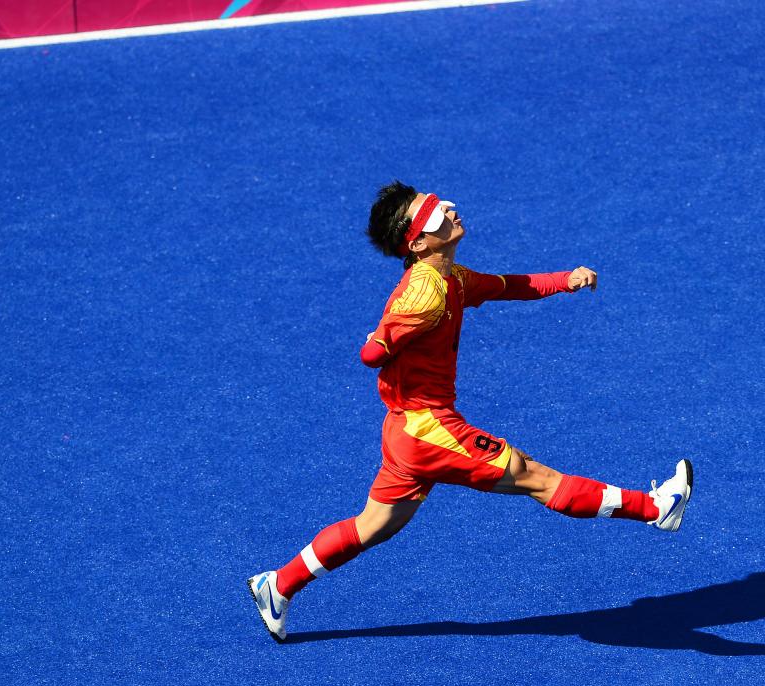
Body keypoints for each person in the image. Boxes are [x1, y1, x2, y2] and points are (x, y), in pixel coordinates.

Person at [248, 182, 693, 642]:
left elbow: (507, 286)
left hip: (405, 430)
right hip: (429, 429)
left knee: (372, 526)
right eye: (434, 212)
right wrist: (383, 341)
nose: (448, 208)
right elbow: (372, 352)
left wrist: (565, 279)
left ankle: (277, 584)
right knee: (532, 475)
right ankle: (657, 508)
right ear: (418, 241)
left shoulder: (452, 277)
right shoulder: (426, 291)